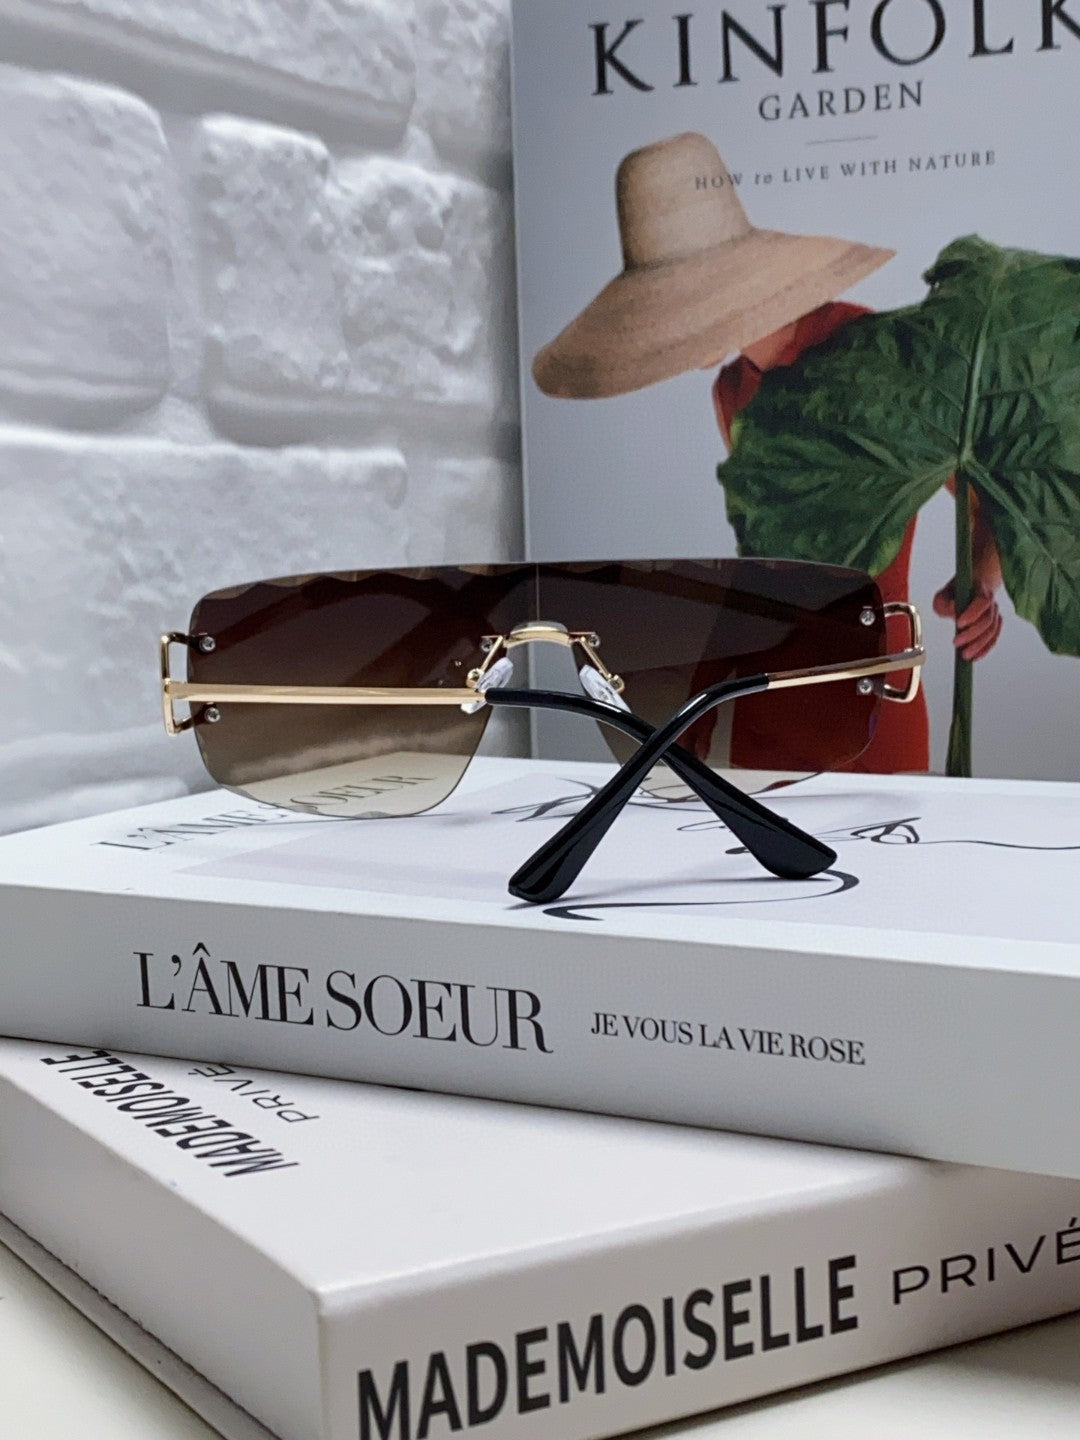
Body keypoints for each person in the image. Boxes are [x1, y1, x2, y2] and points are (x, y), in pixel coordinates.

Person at [533, 132, 1003, 773]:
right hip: (765, 697)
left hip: (874, 692)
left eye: (673, 308)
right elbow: (772, 562)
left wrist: (982, 580)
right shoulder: (732, 391)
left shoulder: (875, 358)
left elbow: (988, 485)